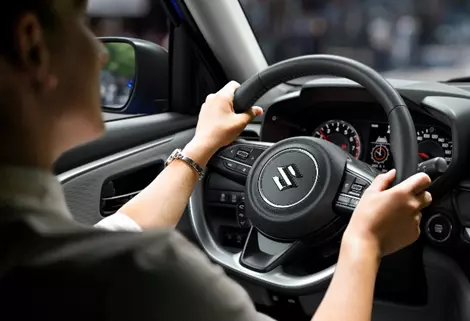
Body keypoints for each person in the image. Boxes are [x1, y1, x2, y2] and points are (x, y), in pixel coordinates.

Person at [0, 1, 433, 321]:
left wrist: (201, 147)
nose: (98, 53)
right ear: (32, 45)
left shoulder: (64, 266)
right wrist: (365, 243)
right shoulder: (144, 280)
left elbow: (120, 230)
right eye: (83, 23)